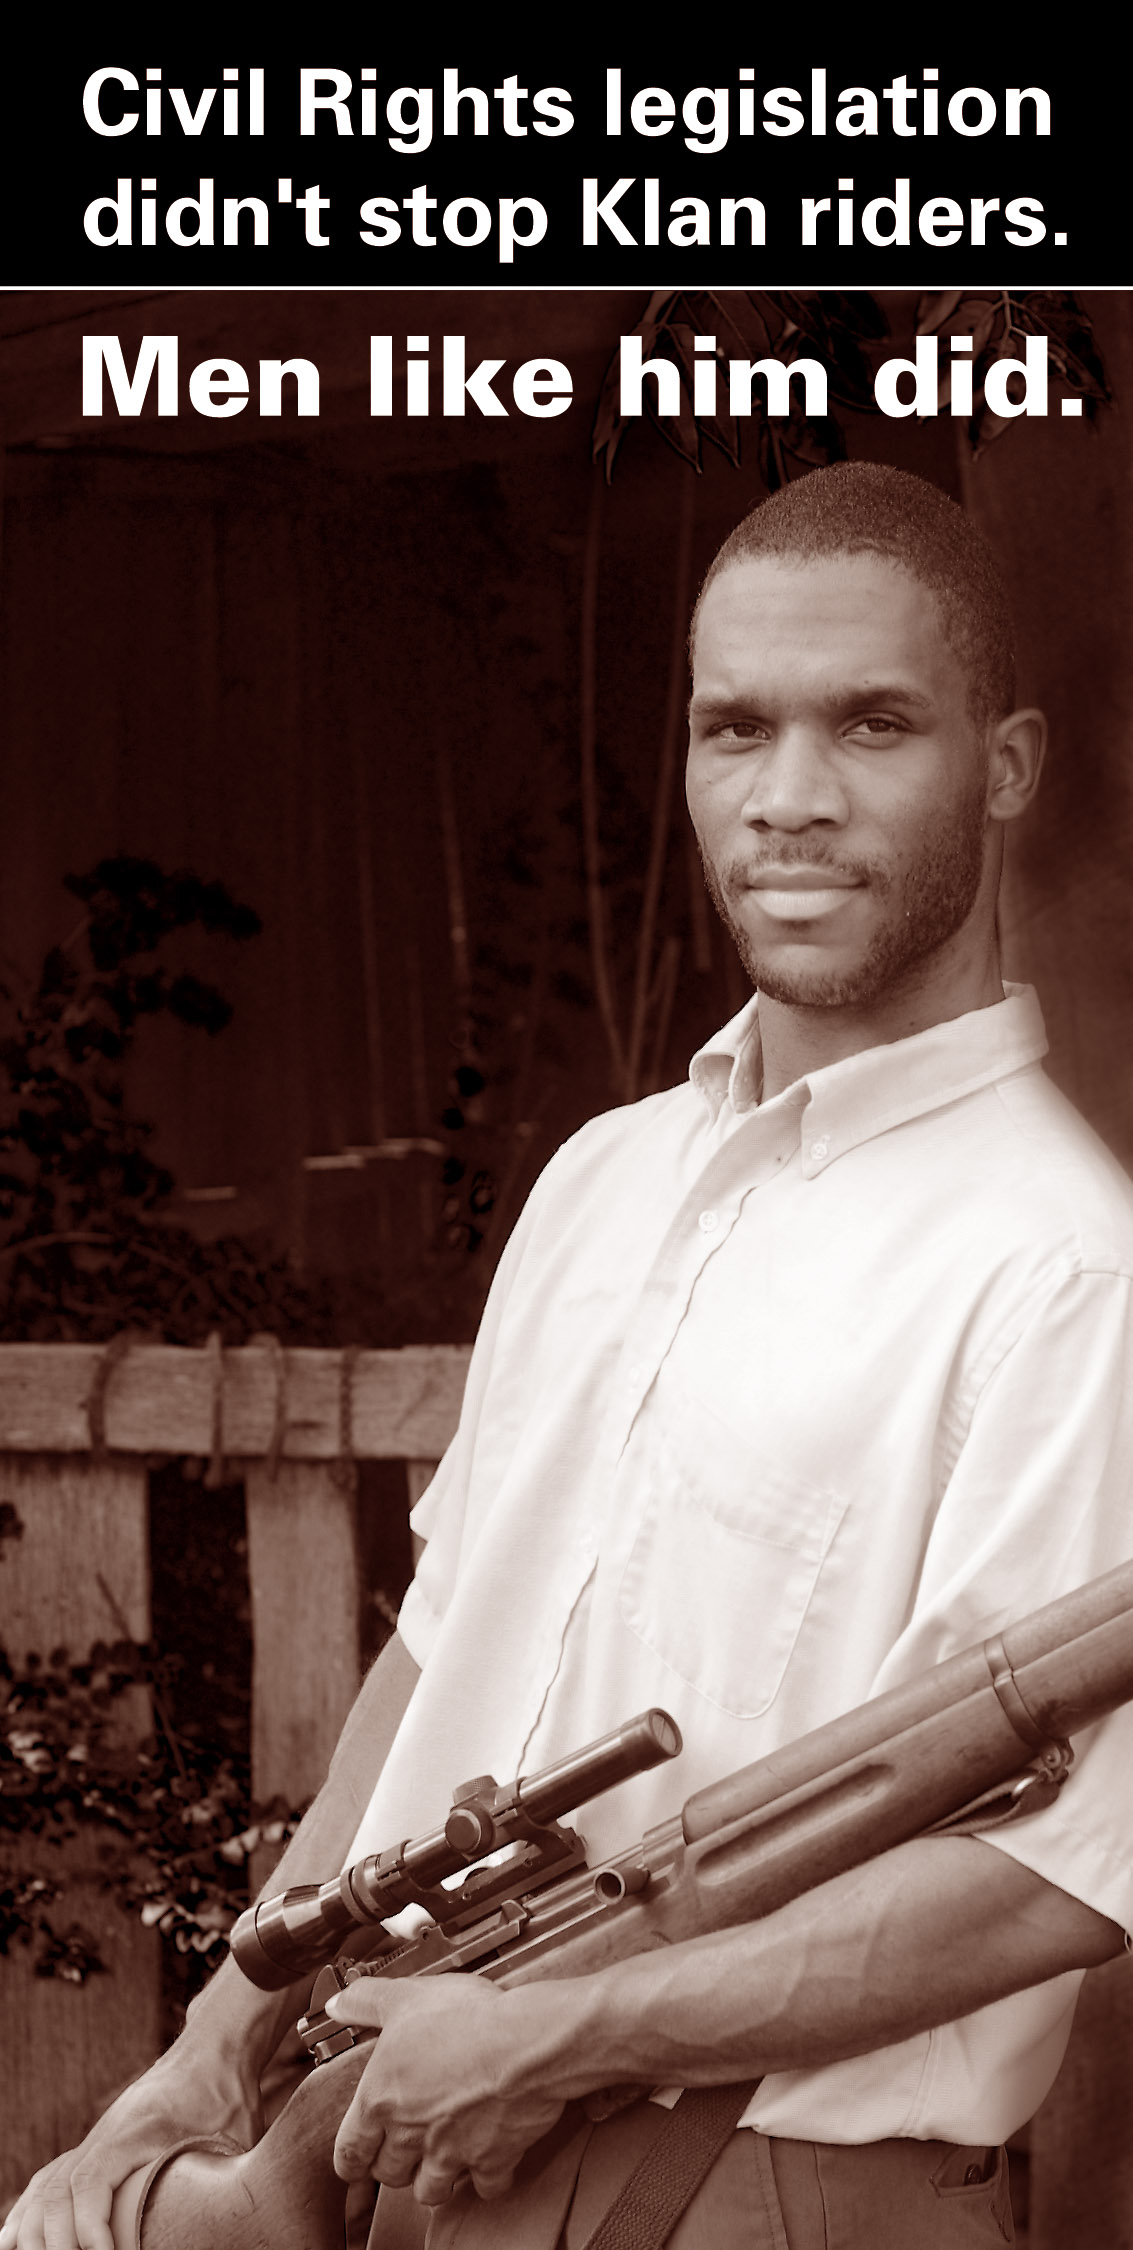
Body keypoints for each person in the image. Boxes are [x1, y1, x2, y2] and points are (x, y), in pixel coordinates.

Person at [6, 461, 1133, 2250]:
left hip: (774, 2193)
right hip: (418, 2133)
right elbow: (446, 1638)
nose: (788, 796)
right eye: (734, 727)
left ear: (1003, 765)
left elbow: (1046, 1882)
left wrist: (552, 2036)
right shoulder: (606, 1175)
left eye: (869, 724)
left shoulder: (1067, 1260)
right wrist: (218, 2043)